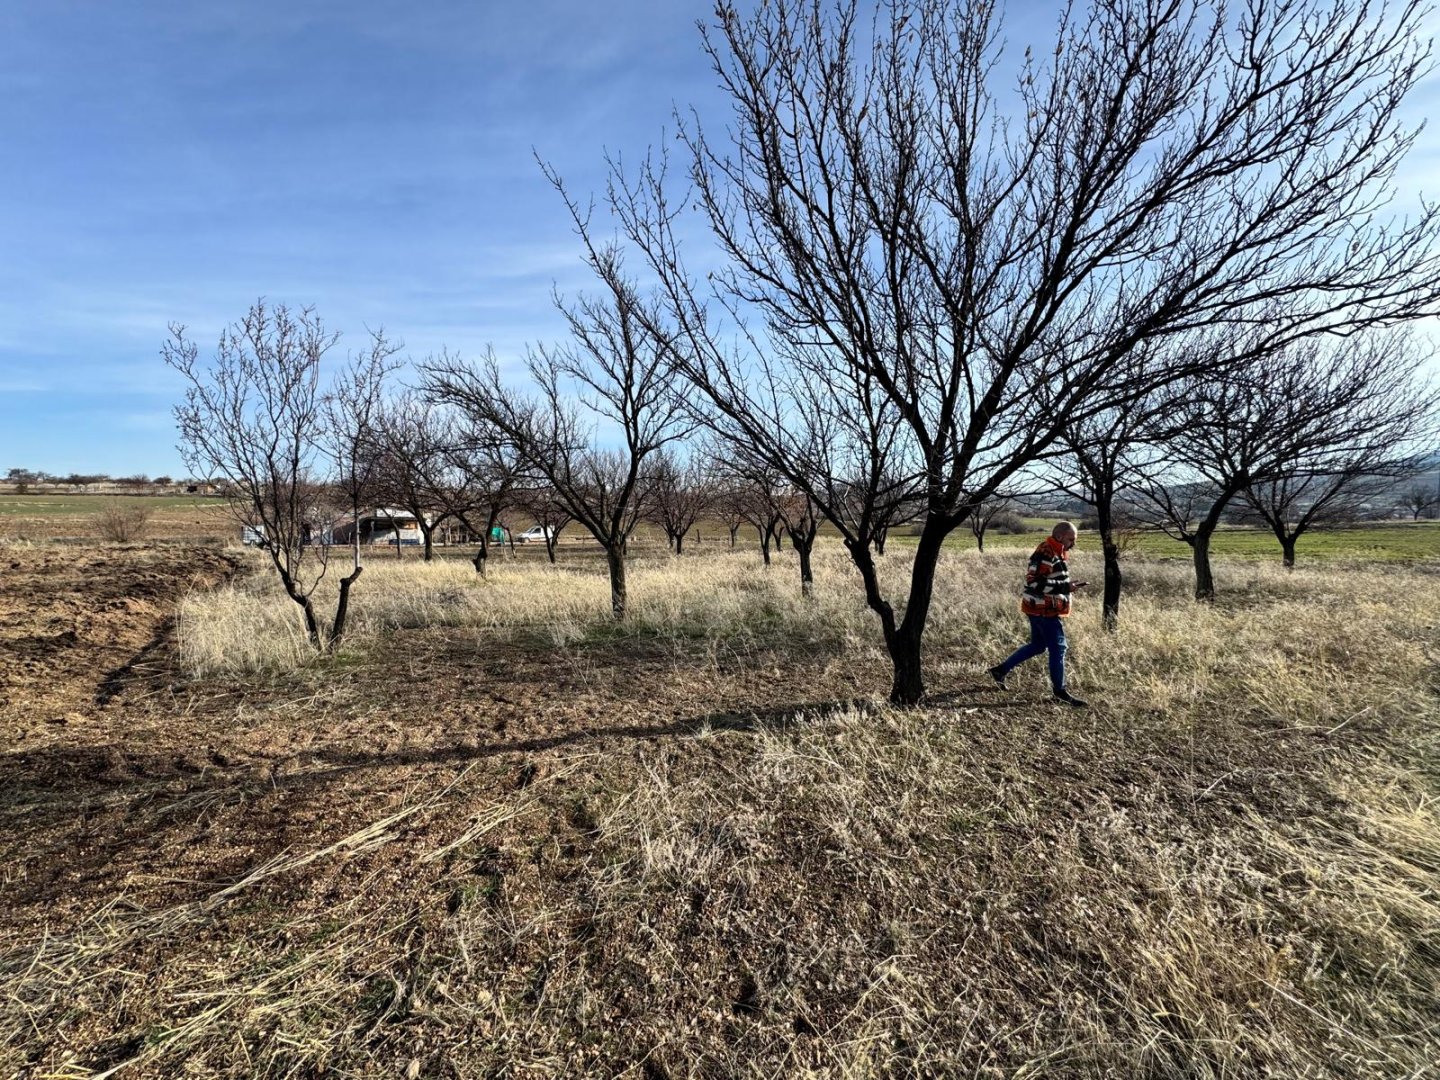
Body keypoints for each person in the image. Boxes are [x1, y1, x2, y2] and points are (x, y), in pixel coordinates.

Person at [988, 521, 1089, 707]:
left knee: (1038, 646)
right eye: (1071, 539)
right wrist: (1067, 586)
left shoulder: (1056, 550)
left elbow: (1048, 579)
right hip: (1044, 610)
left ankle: (1000, 670)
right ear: (1059, 536)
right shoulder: (1046, 551)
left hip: (1040, 607)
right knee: (1058, 648)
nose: (1073, 544)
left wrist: (1068, 584)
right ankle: (1060, 692)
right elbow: (1034, 582)